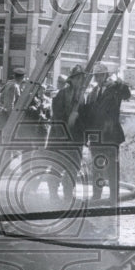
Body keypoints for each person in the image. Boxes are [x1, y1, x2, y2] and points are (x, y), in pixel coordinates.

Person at [82, 63, 130, 201]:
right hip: (96, 136)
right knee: (97, 168)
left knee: (112, 167)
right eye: (96, 76)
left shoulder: (114, 88)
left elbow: (126, 94)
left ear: (106, 75)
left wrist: (121, 83)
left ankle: (113, 196)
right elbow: (88, 115)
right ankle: (96, 195)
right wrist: (86, 135)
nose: (97, 78)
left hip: (110, 135)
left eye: (100, 75)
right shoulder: (92, 93)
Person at [46, 65, 87, 201]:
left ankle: (68, 192)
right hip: (60, 136)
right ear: (72, 80)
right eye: (78, 78)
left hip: (75, 138)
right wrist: (68, 119)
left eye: (82, 78)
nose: (80, 81)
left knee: (73, 166)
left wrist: (78, 118)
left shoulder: (82, 96)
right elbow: (56, 115)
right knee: (57, 164)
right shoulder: (62, 94)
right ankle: (53, 193)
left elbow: (87, 116)